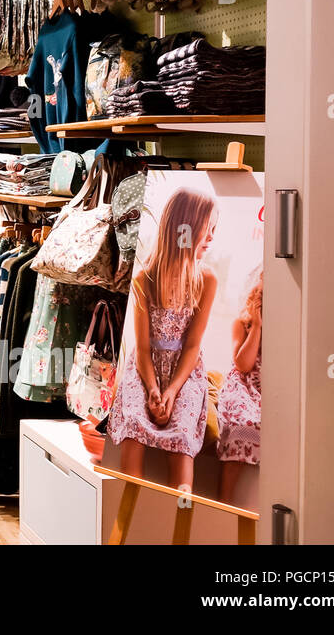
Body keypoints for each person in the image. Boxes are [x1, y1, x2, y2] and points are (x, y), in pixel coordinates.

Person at [108, 188, 219, 493]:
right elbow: (142, 348)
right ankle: (128, 514)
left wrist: (171, 391)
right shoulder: (145, 278)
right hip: (145, 367)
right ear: (184, 228)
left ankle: (177, 518)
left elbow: (193, 345)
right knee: (133, 427)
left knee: (182, 436)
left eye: (214, 231)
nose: (210, 238)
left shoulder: (207, 279)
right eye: (206, 230)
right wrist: (154, 388)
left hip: (185, 372)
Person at [217, 269, 262, 504]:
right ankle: (224, 499)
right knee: (243, 423)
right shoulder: (241, 324)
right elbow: (243, 364)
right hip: (244, 386)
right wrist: (257, 327)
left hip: (268, 389)